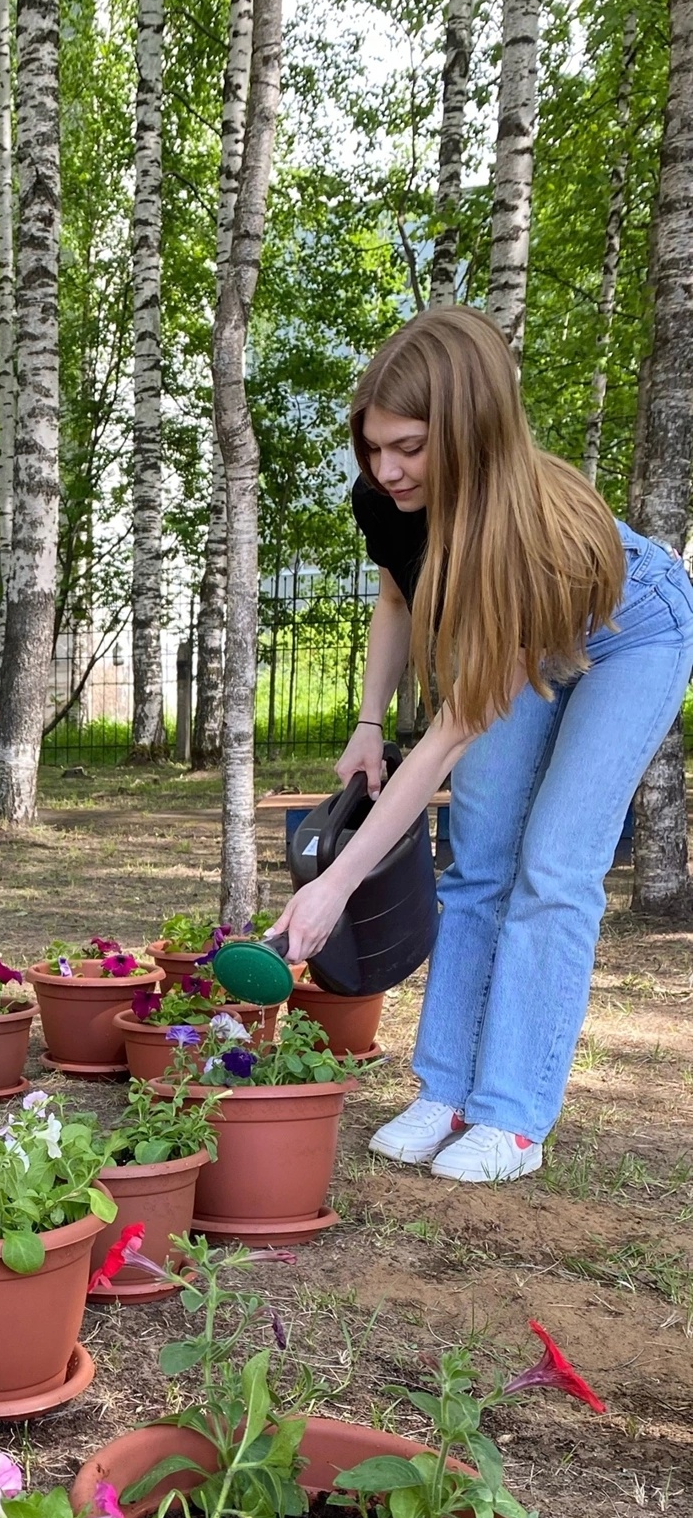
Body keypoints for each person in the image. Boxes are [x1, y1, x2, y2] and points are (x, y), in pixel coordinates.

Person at [276, 306, 693, 1185]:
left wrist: (333, 889)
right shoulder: (386, 495)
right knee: (478, 858)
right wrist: (365, 726)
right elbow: (397, 599)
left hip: (630, 629)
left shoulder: (523, 527)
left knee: (552, 866)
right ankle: (447, 1090)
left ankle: (512, 1115)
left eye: (411, 447)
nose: (386, 468)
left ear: (468, 434)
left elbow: (455, 733)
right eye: (374, 444)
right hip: (516, 637)